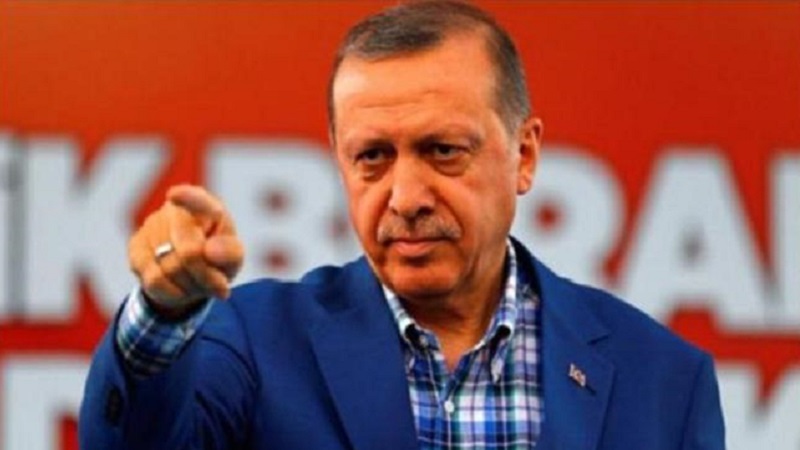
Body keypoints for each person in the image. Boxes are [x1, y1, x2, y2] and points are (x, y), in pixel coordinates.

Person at [79, 1, 725, 449]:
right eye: (373, 157)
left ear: (523, 156)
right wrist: (162, 312)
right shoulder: (251, 343)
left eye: (443, 150)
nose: (406, 197)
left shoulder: (664, 382)